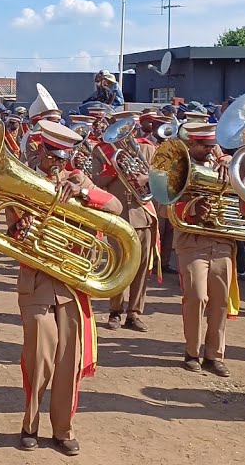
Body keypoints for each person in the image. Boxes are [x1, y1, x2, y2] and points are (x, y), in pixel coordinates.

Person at [14, 120, 122, 455]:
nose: (57, 162)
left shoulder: (78, 179)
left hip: (73, 283)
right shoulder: (23, 181)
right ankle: (29, 425)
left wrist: (85, 193)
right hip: (37, 279)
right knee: (40, 356)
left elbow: (116, 208)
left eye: (63, 156)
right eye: (52, 155)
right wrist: (24, 226)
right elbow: (11, 231)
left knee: (68, 361)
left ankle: (63, 429)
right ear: (39, 149)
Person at [173, 122, 235, 377]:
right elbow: (168, 202)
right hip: (192, 240)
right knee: (197, 296)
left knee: (220, 301)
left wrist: (231, 162)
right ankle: (192, 352)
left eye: (213, 146)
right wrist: (192, 210)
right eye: (205, 146)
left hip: (221, 241)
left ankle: (214, 354)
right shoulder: (179, 167)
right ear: (192, 145)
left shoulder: (223, 164)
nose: (211, 151)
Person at [94, 111, 156, 332]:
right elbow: (95, 182)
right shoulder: (101, 151)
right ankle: (115, 311)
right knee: (119, 265)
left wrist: (146, 177)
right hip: (118, 216)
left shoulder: (148, 148)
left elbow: (161, 178)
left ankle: (135, 312)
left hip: (143, 214)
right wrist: (112, 172)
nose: (128, 133)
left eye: (130, 128)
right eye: (121, 128)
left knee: (140, 267)